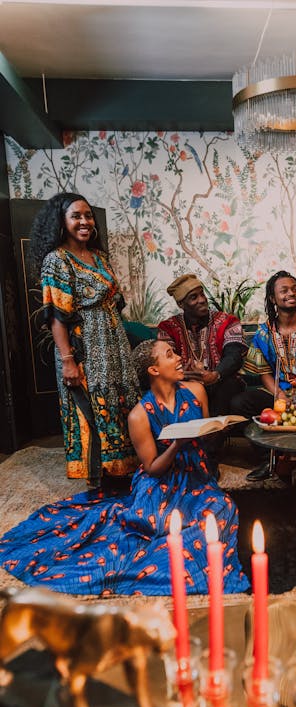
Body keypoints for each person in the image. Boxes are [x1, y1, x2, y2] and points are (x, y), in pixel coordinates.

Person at [0, 339, 249, 596]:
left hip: (196, 475)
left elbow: (206, 438)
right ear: (154, 370)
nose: (178, 358)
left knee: (223, 508)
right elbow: (152, 468)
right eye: (169, 354)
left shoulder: (197, 390)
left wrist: (218, 429)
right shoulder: (139, 416)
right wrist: (176, 445)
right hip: (159, 481)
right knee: (158, 522)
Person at [33, 192, 140, 488]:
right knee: (92, 403)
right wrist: (68, 360)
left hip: (113, 342)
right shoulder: (57, 260)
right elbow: (56, 315)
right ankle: (102, 473)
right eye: (76, 216)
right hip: (85, 346)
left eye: (88, 215)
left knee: (121, 398)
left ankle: (126, 465)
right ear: (61, 222)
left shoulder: (99, 257)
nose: (84, 221)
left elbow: (114, 301)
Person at [232, 270, 296, 481]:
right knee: (239, 403)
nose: (291, 294)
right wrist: (279, 394)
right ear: (272, 298)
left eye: (295, 289)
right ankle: (268, 459)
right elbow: (264, 372)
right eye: (284, 290)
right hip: (278, 392)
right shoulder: (263, 332)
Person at [157, 274, 247, 417]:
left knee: (228, 385)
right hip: (185, 383)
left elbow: (234, 355)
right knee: (179, 388)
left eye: (202, 294)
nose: (202, 300)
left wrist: (215, 375)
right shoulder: (168, 328)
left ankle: (214, 435)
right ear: (181, 304)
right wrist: (183, 374)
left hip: (221, 382)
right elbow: (165, 360)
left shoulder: (228, 321)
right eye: (193, 297)